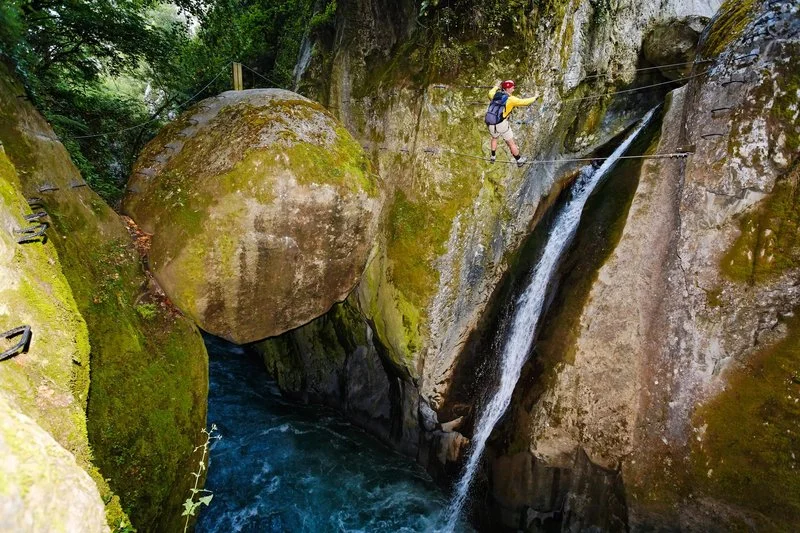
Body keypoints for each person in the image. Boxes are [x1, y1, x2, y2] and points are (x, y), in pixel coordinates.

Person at [485, 79, 536, 167]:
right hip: (502, 124)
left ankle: (493, 156)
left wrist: (496, 86)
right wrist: (535, 97)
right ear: (507, 89)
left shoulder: (494, 95)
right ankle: (519, 160)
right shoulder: (511, 99)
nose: (513, 90)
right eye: (512, 88)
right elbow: (525, 102)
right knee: (511, 143)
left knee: (494, 138)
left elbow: (490, 92)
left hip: (491, 123)